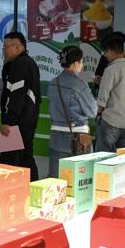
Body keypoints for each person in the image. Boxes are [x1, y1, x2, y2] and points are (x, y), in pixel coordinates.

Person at [48, 45, 97, 178]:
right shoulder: (79, 85)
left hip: (56, 136)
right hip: (78, 139)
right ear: (75, 63)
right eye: (81, 61)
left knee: (56, 179)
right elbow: (92, 112)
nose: (82, 65)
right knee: (80, 180)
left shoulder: (52, 83)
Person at [0, 31, 41, 180]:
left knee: (9, 161)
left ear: (18, 47)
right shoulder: (27, 63)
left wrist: (8, 121)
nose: (3, 50)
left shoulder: (20, 64)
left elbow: (16, 95)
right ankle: (32, 186)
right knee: (25, 157)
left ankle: (10, 189)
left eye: (6, 47)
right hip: (27, 118)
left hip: (18, 122)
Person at [95, 35, 125, 152]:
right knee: (122, 157)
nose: (105, 55)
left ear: (110, 52)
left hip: (111, 120)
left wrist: (99, 114)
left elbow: (103, 97)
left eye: (105, 52)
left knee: (103, 156)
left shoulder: (111, 70)